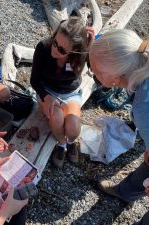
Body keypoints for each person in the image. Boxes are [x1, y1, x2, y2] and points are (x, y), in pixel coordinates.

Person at [89, 29, 149, 225]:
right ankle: (124, 193)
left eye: (95, 72)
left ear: (114, 77)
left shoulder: (148, 106)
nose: (92, 74)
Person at [30, 17, 93, 168]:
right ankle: (62, 144)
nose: (55, 49)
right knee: (56, 120)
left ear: (75, 50)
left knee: (73, 129)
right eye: (55, 42)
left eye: (62, 50)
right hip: (47, 90)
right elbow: (34, 80)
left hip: (70, 92)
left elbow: (96, 67)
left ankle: (71, 141)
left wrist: (92, 47)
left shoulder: (81, 54)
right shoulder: (43, 47)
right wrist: (46, 97)